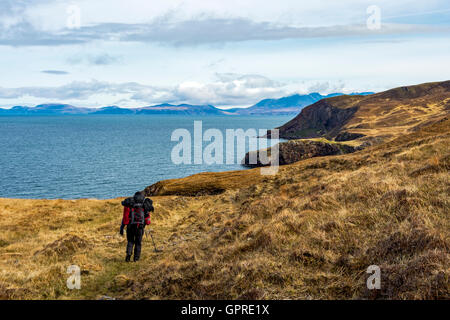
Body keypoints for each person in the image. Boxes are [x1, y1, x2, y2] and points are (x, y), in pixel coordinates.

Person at [120, 191, 154, 262]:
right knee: (138, 243)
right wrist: (147, 223)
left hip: (130, 226)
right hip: (140, 227)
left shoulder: (129, 203)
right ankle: (136, 259)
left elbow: (125, 217)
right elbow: (147, 218)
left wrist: (122, 227)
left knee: (130, 241)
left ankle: (128, 255)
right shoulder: (144, 204)